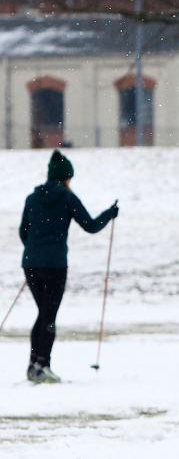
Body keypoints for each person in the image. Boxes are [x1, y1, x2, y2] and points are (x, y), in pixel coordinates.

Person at [18, 150, 118, 383]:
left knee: (43, 313)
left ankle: (34, 365)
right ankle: (43, 364)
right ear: (66, 177)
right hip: (54, 266)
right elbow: (91, 226)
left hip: (31, 264)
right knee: (49, 316)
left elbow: (24, 231)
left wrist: (34, 252)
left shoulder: (32, 199)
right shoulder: (66, 198)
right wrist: (110, 214)